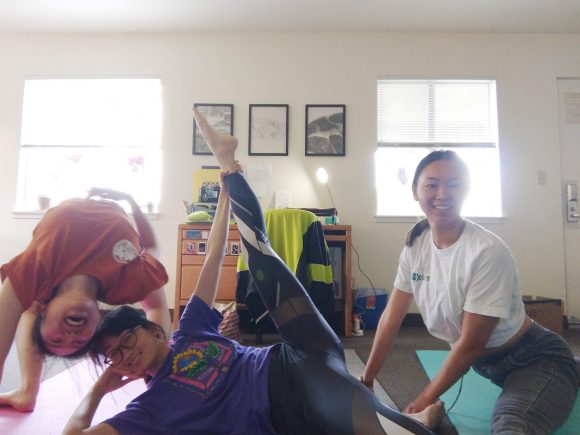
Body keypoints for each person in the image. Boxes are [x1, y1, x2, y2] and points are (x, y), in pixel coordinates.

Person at [62, 109, 444, 435]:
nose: (124, 355)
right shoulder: (148, 410)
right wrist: (100, 388)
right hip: (289, 399)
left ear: (152, 328)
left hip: (295, 350)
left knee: (258, 251)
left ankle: (226, 161)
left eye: (126, 340)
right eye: (113, 355)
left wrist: (225, 195)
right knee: (360, 414)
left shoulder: (190, 328)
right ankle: (418, 419)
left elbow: (212, 257)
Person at [362, 150, 578, 434]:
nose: (443, 193)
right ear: (415, 190)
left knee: (512, 424)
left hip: (534, 359)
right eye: (431, 184)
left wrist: (424, 399)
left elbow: (472, 344)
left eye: (454, 184)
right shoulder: (417, 243)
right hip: (489, 365)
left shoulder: (487, 252)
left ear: (466, 189)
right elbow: (392, 316)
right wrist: (366, 380)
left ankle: (567, 370)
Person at [0, 188, 170, 412]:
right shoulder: (123, 284)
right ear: (97, 321)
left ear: (43, 311)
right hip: (116, 208)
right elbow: (152, 253)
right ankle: (27, 391)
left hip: (67, 211)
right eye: (79, 342)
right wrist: (154, 356)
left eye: (56, 340)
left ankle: (27, 391)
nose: (70, 336)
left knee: (26, 305)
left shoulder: (37, 270)